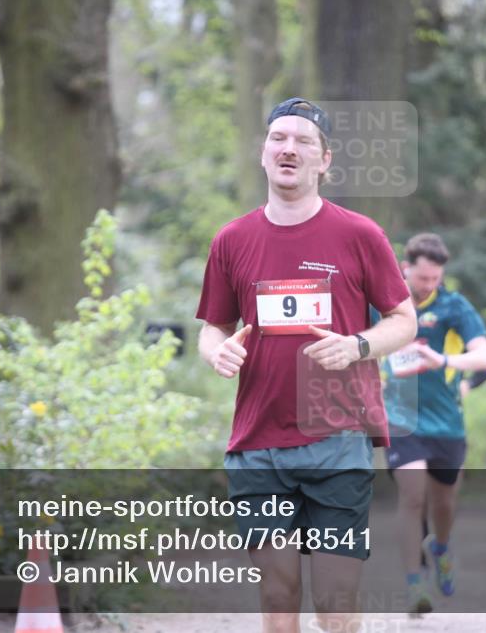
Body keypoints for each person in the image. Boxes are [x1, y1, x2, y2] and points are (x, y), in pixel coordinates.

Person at [196, 97, 416, 633]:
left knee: (336, 600)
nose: (288, 148)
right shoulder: (232, 240)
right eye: (278, 138)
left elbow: (403, 319)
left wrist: (357, 346)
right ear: (263, 153)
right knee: (277, 593)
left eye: (303, 141)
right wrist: (216, 350)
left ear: (325, 160)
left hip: (336, 436)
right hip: (256, 441)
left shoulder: (359, 234)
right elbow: (213, 326)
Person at [377, 233, 486, 616]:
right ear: (405, 268)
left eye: (435, 279)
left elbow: (484, 358)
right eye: (423, 279)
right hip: (402, 419)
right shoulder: (383, 303)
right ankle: (414, 587)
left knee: (444, 503)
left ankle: (440, 547)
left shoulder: (453, 306)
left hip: (446, 422)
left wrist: (441, 361)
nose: (429, 286)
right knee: (411, 498)